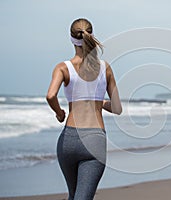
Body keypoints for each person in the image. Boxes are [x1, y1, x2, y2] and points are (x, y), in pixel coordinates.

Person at [46, 18, 122, 200]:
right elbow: (118, 108)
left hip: (68, 140)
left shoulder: (63, 68)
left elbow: (50, 96)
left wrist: (59, 113)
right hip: (94, 140)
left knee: (74, 195)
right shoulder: (106, 68)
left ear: (72, 39)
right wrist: (101, 103)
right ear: (91, 36)